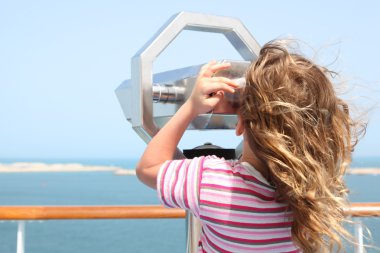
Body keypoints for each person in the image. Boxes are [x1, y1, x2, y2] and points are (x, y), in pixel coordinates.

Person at [136, 41, 364, 252]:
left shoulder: (212, 183)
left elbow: (149, 167)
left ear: (241, 122)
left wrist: (190, 108)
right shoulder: (312, 196)